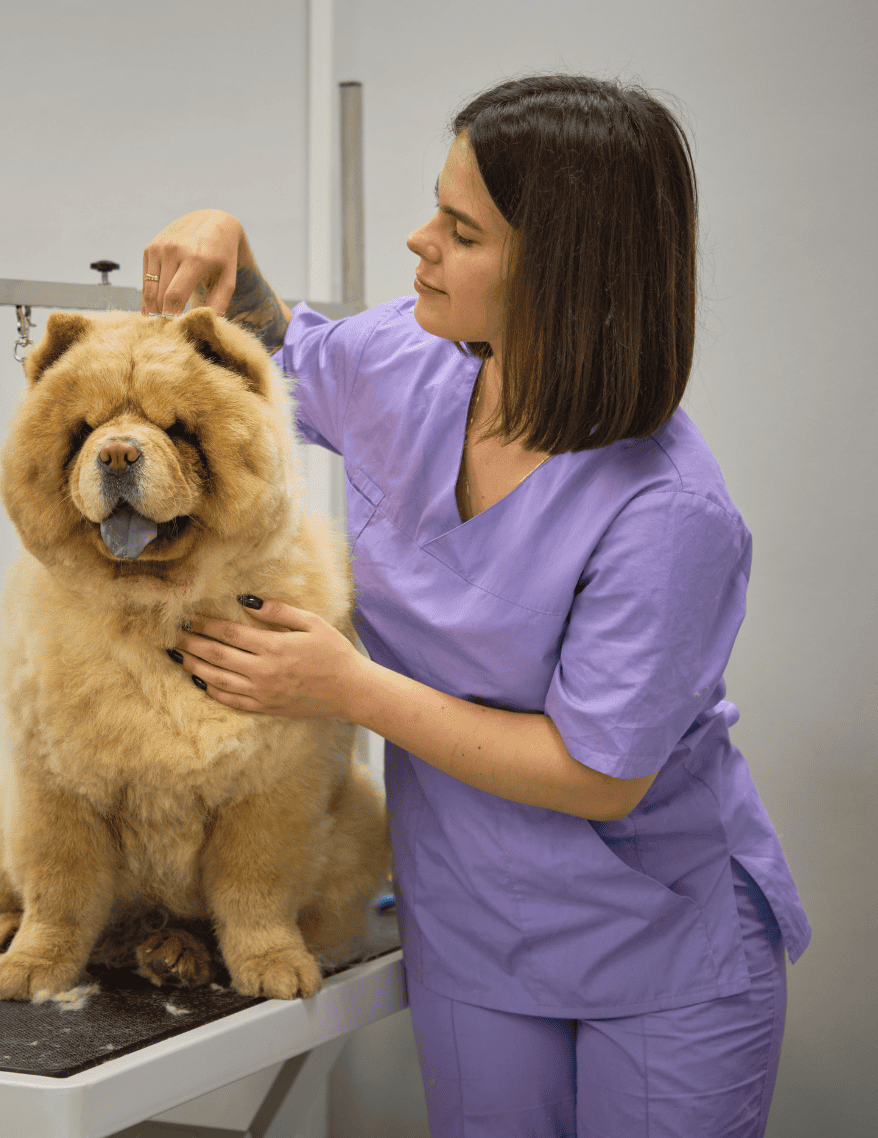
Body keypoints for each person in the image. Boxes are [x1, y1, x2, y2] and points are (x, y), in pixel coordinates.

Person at [142, 74, 809, 1138]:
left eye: (461, 230)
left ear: (563, 271)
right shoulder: (411, 367)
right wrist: (227, 243)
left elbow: (597, 775)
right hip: (476, 935)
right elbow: (270, 350)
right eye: (435, 208)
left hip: (660, 948)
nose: (419, 242)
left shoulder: (669, 512)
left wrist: (347, 687)